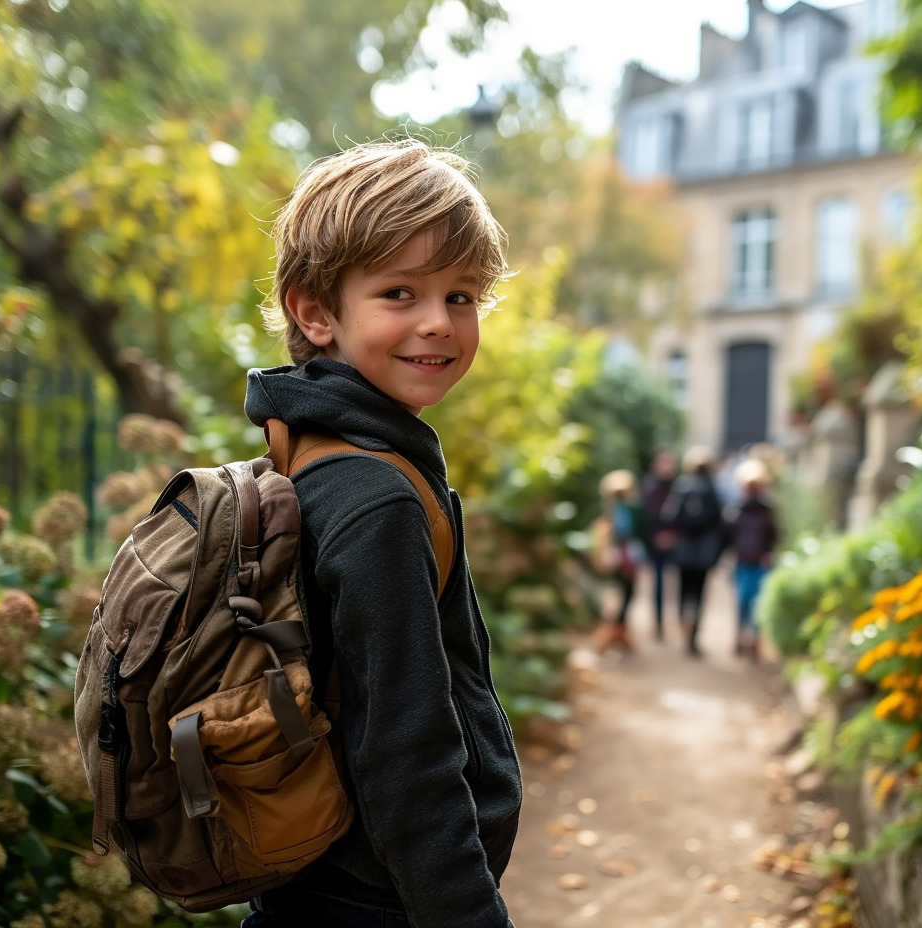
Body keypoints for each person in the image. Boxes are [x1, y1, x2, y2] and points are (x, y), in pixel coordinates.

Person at [240, 139, 521, 928]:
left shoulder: (306, 445)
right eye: (400, 292)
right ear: (315, 311)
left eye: (462, 296)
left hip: (315, 882)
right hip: (378, 900)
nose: (439, 323)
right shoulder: (377, 499)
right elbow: (406, 754)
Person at [662, 446, 727, 657]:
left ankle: (683, 628)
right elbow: (722, 523)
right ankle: (693, 637)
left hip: (684, 550)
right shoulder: (714, 489)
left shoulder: (682, 487)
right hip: (705, 552)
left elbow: (670, 516)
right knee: (699, 594)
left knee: (682, 592)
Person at [725, 457, 779, 660]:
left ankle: (754, 639)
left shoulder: (765, 510)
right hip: (743, 560)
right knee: (743, 601)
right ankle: (740, 636)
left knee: (755, 602)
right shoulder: (737, 509)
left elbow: (773, 535)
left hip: (757, 560)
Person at [590, 469, 644, 653]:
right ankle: (613, 632)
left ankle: (618, 632)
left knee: (625, 594)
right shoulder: (617, 512)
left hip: (624, 556)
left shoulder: (623, 510)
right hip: (621, 557)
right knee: (622, 595)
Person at [639, 448, 679, 641]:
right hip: (655, 542)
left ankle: (679, 621)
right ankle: (658, 621)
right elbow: (646, 515)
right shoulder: (649, 487)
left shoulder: (679, 487)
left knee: (676, 583)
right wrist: (657, 536)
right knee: (658, 582)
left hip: (675, 542)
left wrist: (673, 535)